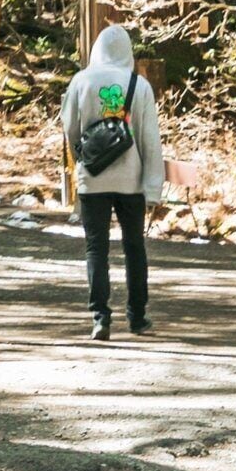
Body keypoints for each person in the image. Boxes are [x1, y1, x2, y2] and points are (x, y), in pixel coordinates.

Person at [64, 22, 167, 341]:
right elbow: (150, 138)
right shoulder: (140, 85)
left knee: (96, 247)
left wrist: (82, 158)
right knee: (134, 247)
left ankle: (100, 317)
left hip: (92, 178)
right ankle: (137, 317)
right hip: (131, 180)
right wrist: (153, 186)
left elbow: (70, 127)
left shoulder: (81, 80)